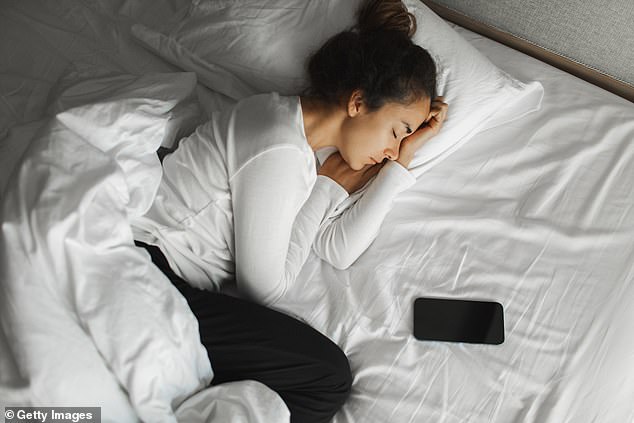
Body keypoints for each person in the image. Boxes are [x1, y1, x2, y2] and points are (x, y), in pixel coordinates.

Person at [132, 0, 448, 421]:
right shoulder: (278, 146)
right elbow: (264, 291)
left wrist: (399, 164)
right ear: (357, 102)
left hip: (167, 278)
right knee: (325, 378)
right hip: (152, 272)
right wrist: (327, 188)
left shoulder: (296, 145)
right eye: (396, 132)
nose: (390, 151)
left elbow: (336, 249)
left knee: (322, 376)